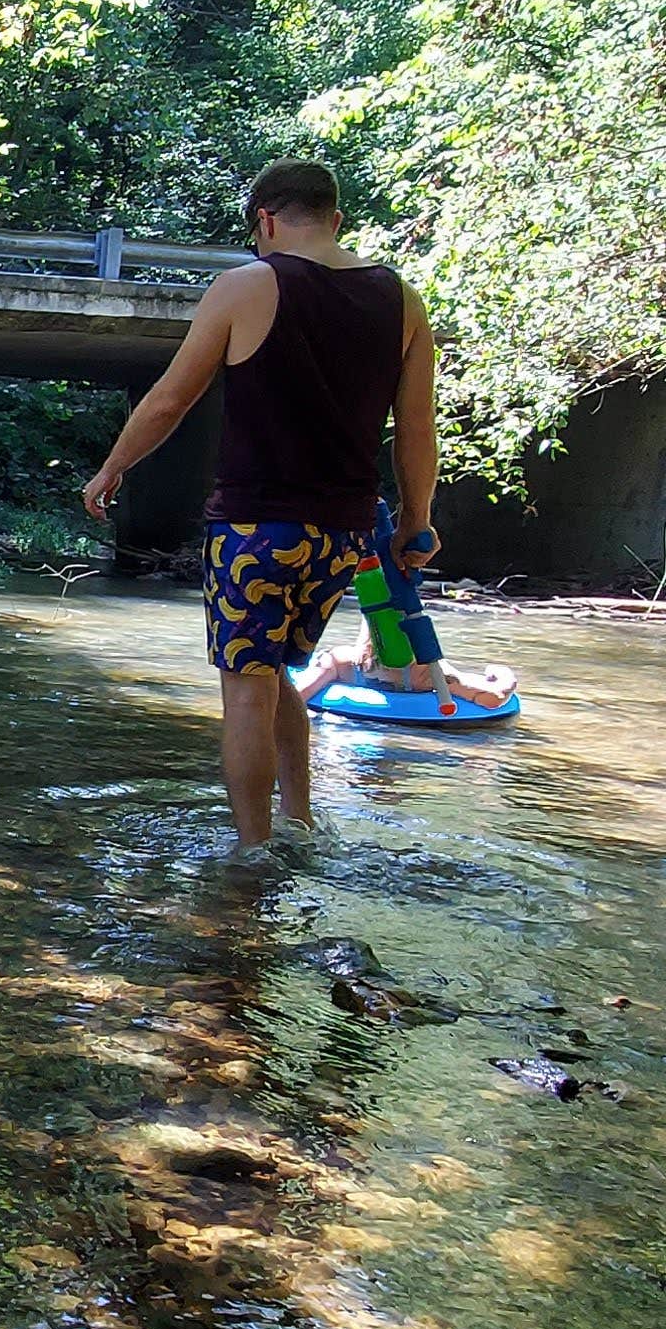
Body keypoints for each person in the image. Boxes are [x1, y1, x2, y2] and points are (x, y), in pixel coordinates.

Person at [84, 160, 436, 848]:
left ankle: (252, 854)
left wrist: (111, 470)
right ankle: (300, 825)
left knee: (246, 688)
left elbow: (169, 399)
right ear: (335, 218)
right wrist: (419, 522)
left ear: (266, 221)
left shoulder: (246, 285)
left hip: (253, 528)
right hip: (342, 535)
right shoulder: (401, 299)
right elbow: (416, 430)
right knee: (274, 673)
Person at [293, 504, 511, 709]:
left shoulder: (341, 661)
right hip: (412, 679)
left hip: (360, 672)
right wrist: (503, 674)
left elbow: (294, 697)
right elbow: (494, 699)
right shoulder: (429, 673)